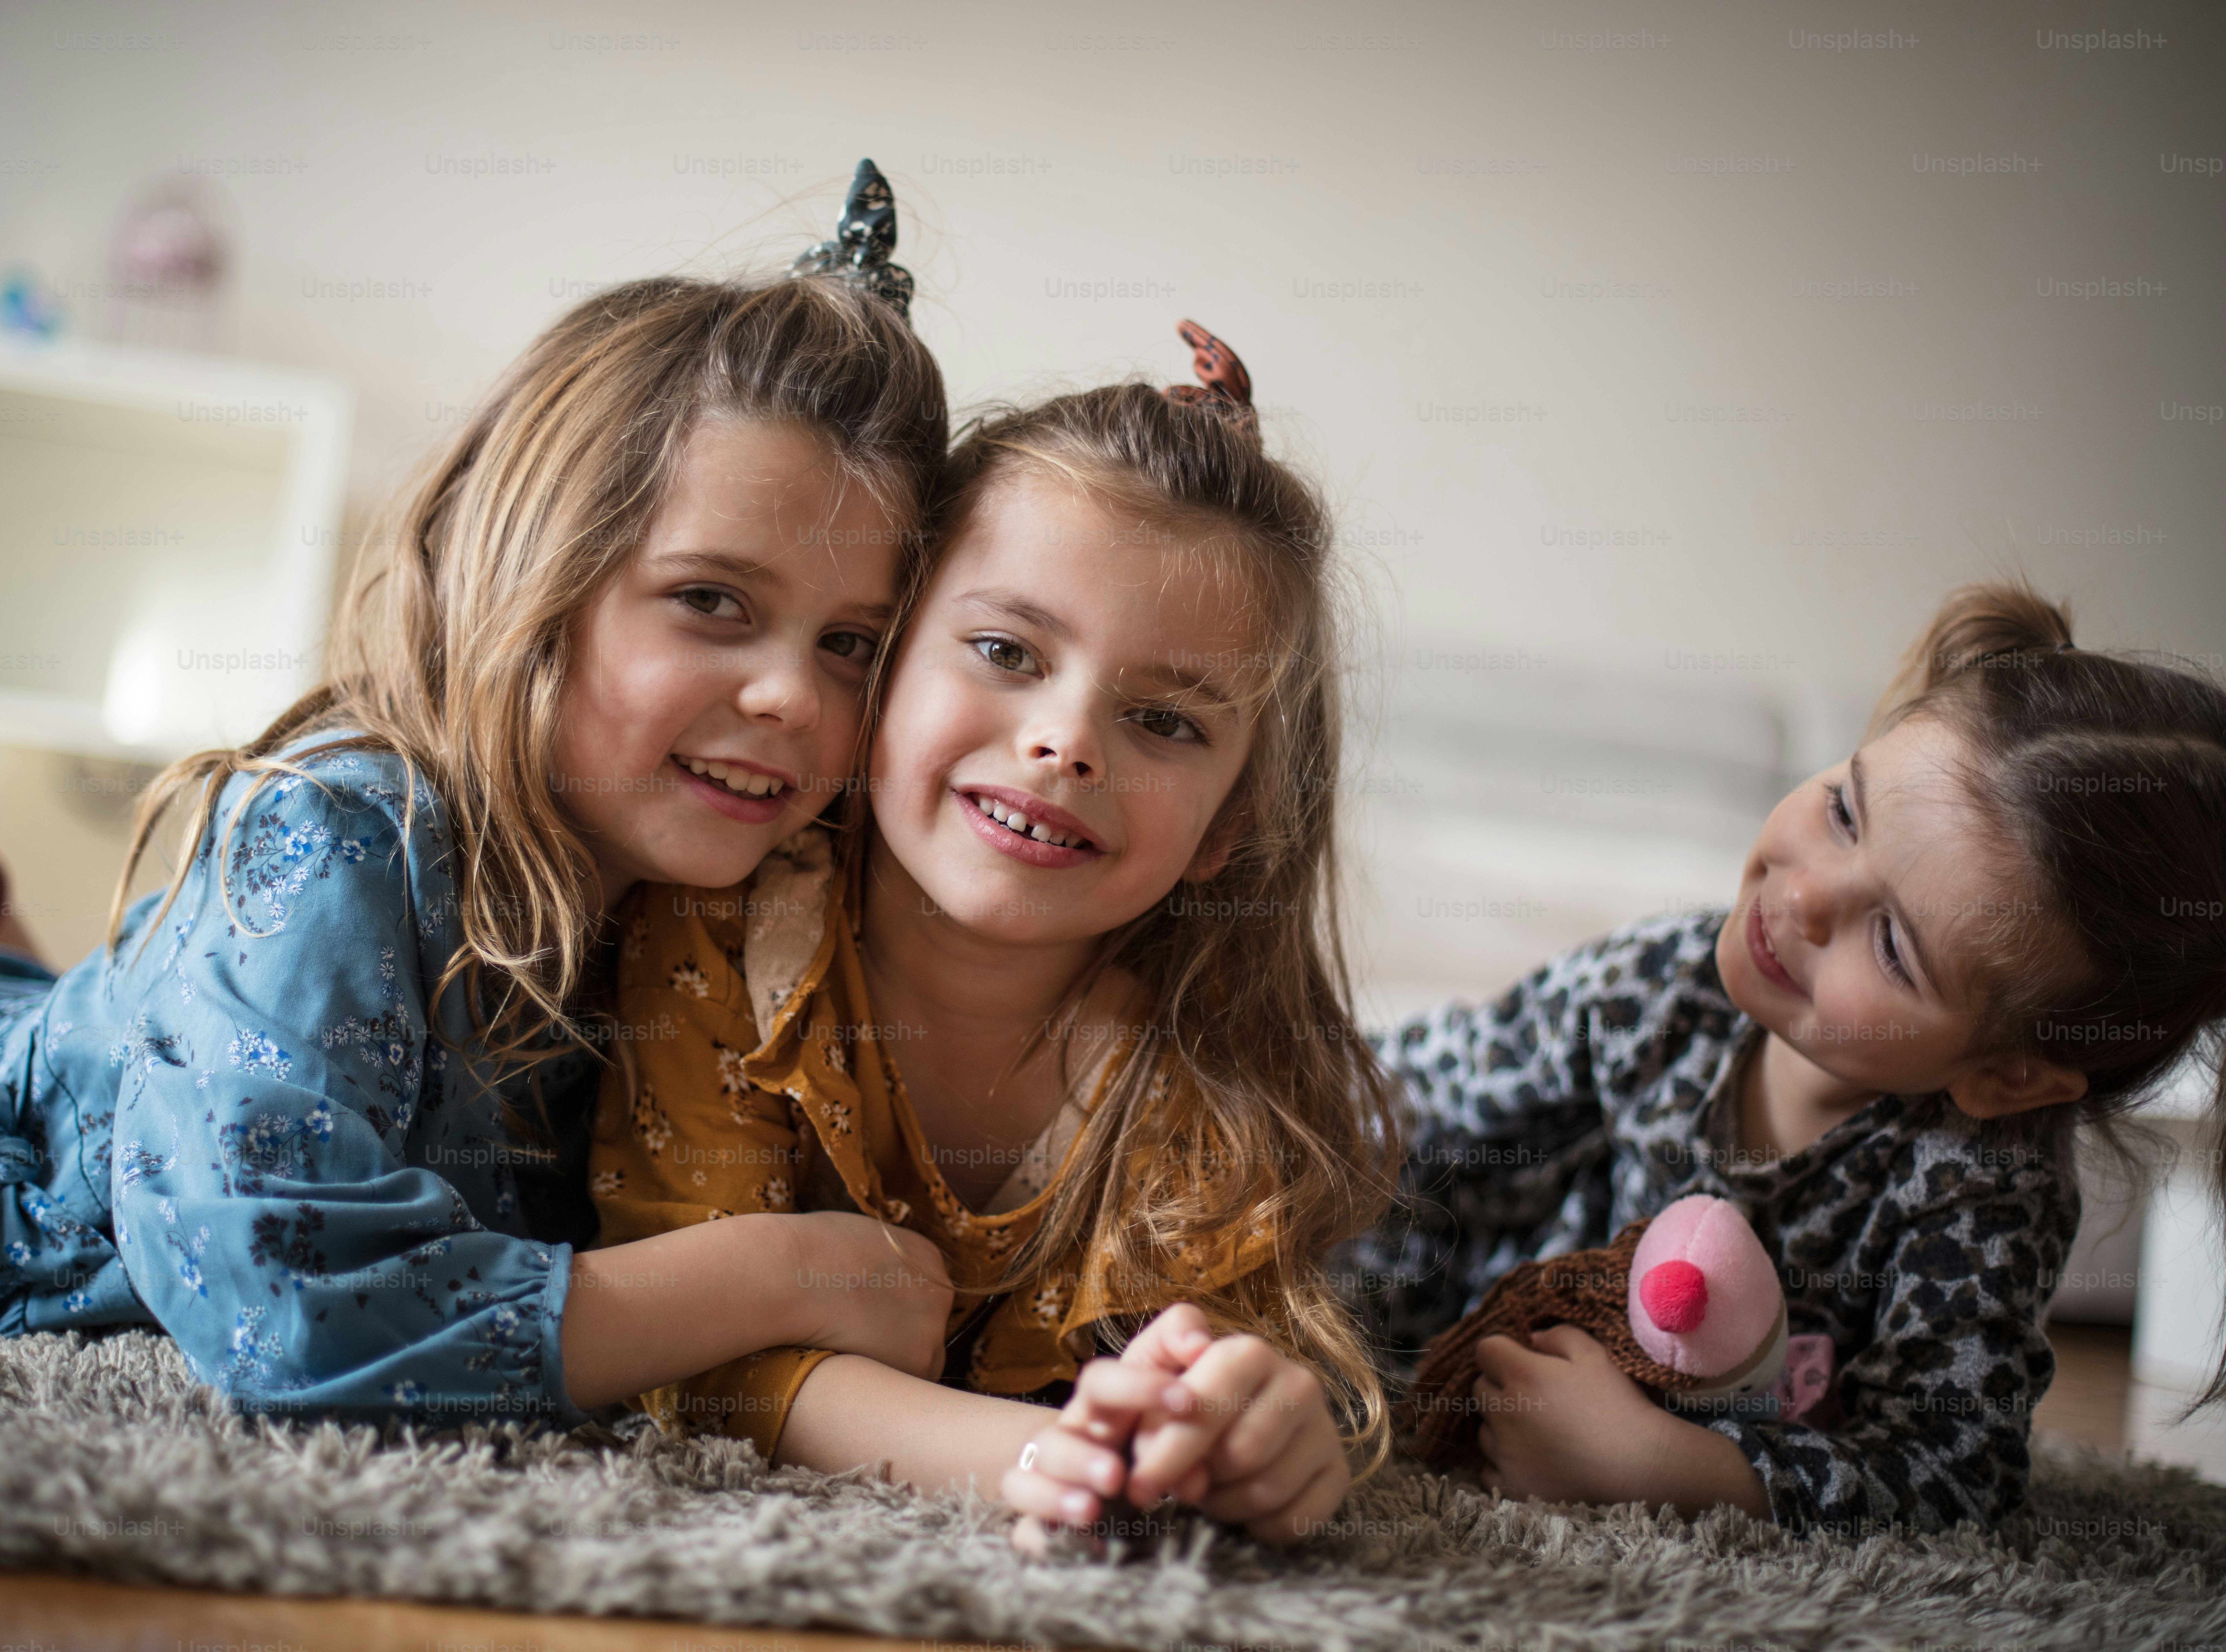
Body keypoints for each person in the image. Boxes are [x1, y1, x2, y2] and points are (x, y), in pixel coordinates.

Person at [0, 165, 966, 1424]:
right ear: (531, 577)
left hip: (82, 1041)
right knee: (56, 1116)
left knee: (90, 1033)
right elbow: (285, 1304)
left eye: (852, 645)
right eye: (712, 601)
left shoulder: (750, 907)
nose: (790, 698)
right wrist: (777, 1273)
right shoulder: (342, 828)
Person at [589, 323, 1402, 1545]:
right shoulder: (722, 936)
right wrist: (1028, 1453)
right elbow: (696, 1364)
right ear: (878, 665)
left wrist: (1247, 1428)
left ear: (1230, 822)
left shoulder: (1213, 1066)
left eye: (1164, 722)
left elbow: (1205, 1376)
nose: (1065, 741)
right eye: (1004, 651)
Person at [1337, 583, 2226, 1532]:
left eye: (1891, 946)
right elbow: (1417, 1091)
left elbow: (1949, 1479)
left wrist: (1672, 1466)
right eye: (1846, 812)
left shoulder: (1981, 1186)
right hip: (1455, 1310)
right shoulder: (1660, 986)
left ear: (2007, 1077)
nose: (1804, 900)